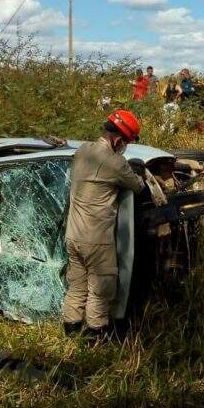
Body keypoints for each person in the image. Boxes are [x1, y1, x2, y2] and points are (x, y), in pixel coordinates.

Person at [62, 110, 145, 339]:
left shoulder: (82, 151)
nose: (124, 147)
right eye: (125, 142)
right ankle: (95, 339)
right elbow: (138, 187)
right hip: (96, 239)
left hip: (73, 235)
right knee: (100, 291)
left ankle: (71, 333)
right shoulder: (115, 162)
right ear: (118, 140)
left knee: (77, 286)